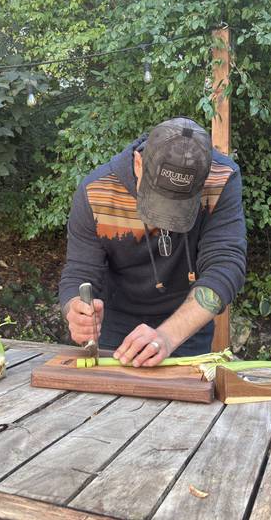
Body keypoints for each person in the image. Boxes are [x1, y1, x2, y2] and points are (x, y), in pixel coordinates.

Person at [59, 116, 247, 367]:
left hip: (186, 328)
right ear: (139, 162)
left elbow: (225, 266)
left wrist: (168, 336)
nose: (166, 219)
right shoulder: (96, 190)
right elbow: (79, 271)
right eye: (158, 198)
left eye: (180, 204)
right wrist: (75, 308)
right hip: (116, 330)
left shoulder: (221, 178)